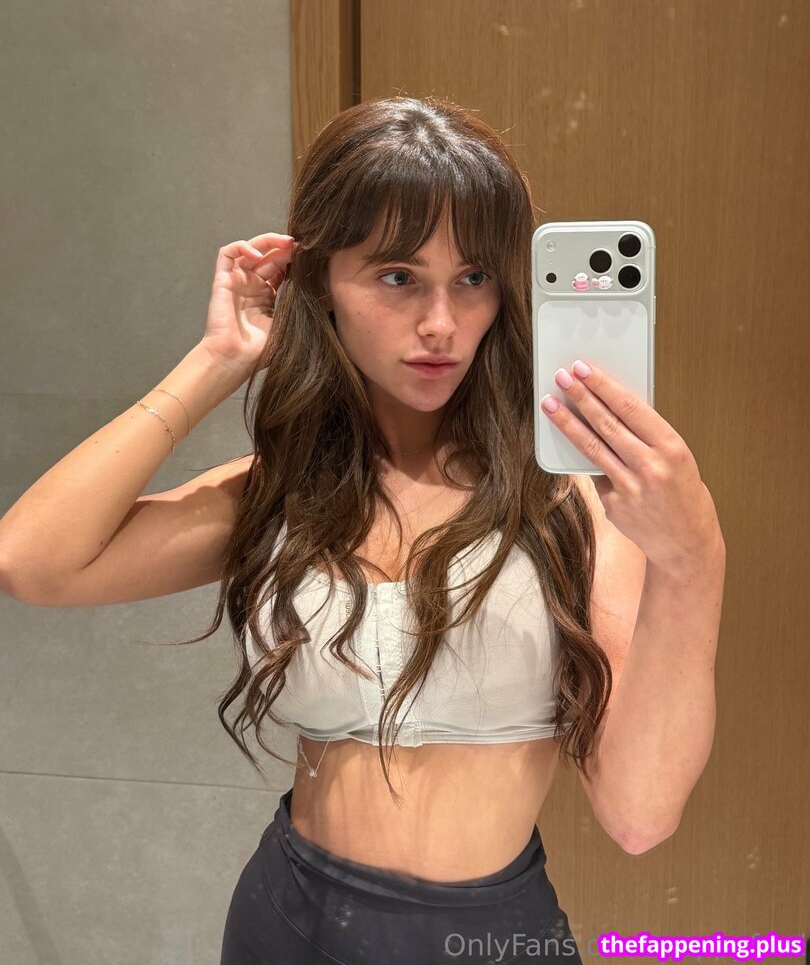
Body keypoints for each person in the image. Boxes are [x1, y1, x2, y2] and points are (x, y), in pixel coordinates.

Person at [0, 96, 663, 963]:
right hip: (285, 918)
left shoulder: (572, 502)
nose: (441, 323)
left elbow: (639, 815)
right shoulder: (284, 493)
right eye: (398, 277)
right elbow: (33, 562)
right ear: (318, 282)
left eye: (473, 278)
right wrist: (217, 360)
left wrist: (696, 558)